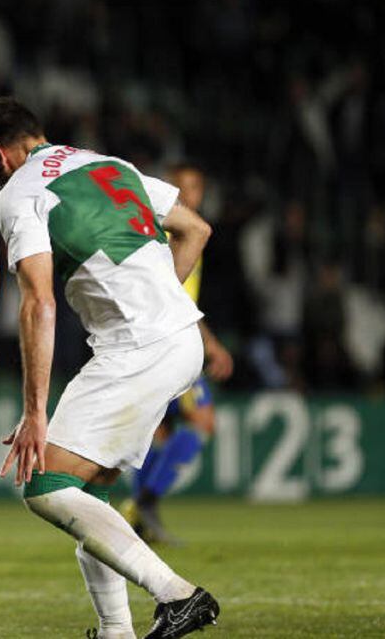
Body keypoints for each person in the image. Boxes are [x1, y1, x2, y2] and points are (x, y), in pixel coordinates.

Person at [0, 97, 220, 639]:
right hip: (180, 338)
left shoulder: (19, 192)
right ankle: (115, 632)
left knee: (44, 482)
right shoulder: (109, 164)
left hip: (137, 346)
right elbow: (196, 229)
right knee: (91, 494)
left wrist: (35, 412)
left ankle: (179, 595)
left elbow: (38, 302)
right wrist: (162, 309)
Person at [121, 163, 234, 544]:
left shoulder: (181, 232)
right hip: (169, 342)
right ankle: (145, 502)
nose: (187, 195)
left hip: (160, 341)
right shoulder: (176, 235)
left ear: (202, 193)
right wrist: (213, 345)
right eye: (180, 187)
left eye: (194, 187)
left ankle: (136, 513)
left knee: (160, 432)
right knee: (202, 421)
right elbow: (173, 299)